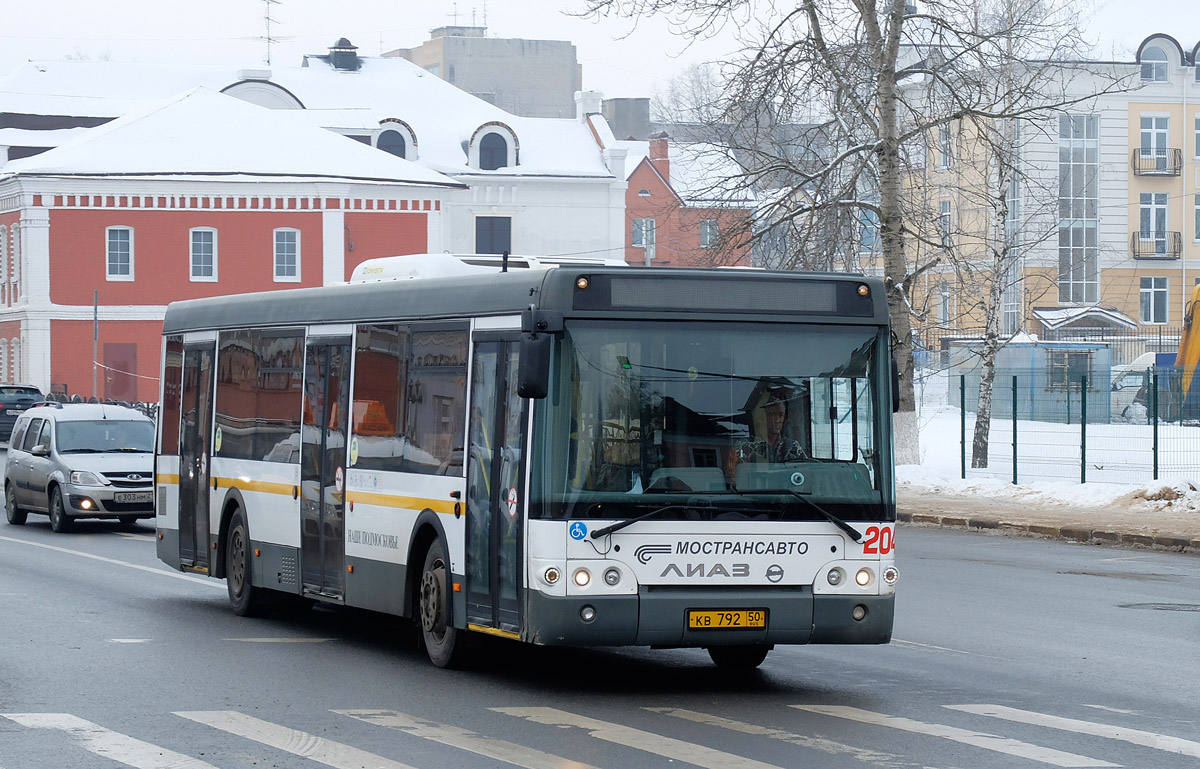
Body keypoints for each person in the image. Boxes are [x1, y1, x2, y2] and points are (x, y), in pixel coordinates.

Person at [732, 389, 806, 465]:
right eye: (771, 415)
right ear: (760, 417)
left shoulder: (792, 447)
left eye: (780, 415)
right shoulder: (745, 446)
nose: (777, 420)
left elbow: (806, 472)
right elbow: (733, 474)